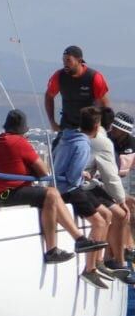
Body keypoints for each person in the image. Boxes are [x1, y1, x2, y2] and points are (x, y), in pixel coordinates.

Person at [0, 108, 100, 265]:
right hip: (8, 194)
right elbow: (43, 171)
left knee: (51, 196)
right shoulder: (19, 142)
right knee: (52, 194)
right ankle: (56, 248)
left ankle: (79, 239)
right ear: (22, 129)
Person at [52, 106, 113, 287]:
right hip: (70, 190)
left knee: (107, 215)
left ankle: (99, 261)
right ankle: (90, 269)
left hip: (65, 185)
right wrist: (81, 175)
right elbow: (72, 177)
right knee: (100, 222)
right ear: (96, 126)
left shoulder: (67, 138)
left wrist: (82, 174)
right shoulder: (83, 144)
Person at [87, 110, 133, 280]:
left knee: (125, 211)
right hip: (93, 187)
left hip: (99, 185)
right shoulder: (104, 142)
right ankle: (116, 260)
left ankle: (120, 254)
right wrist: (120, 199)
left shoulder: (101, 139)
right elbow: (110, 176)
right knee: (122, 212)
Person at [44, 45, 110, 135]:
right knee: (57, 147)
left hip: (89, 129)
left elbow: (104, 105)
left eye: (68, 60)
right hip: (67, 127)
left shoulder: (94, 77)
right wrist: (52, 122)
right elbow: (49, 96)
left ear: (79, 60)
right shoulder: (59, 76)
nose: (65, 64)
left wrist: (103, 129)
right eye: (63, 60)